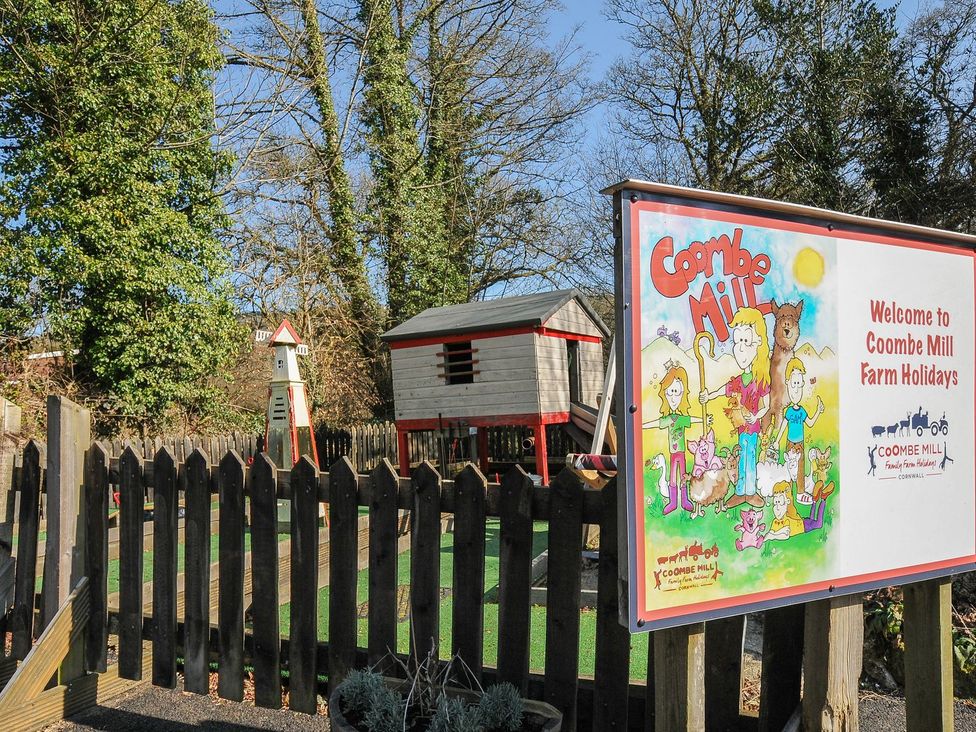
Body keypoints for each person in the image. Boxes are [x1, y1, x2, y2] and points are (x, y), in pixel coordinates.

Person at [699, 308, 770, 508]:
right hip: (741, 429)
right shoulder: (739, 380)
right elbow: (724, 390)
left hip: (752, 429)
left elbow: (765, 405)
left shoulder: (760, 380)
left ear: (757, 343)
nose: (740, 348)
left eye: (746, 341)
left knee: (750, 459)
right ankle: (740, 492)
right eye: (738, 341)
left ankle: (751, 492)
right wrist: (708, 395)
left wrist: (756, 417)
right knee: (741, 459)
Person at [643, 362, 704, 514]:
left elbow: (693, 419)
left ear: (683, 394)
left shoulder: (681, 419)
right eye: (670, 393)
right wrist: (641, 425)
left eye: (677, 392)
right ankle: (673, 502)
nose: (673, 397)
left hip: (681, 453)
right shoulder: (668, 419)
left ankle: (685, 500)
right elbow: (656, 423)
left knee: (683, 476)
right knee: (672, 477)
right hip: (673, 454)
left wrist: (704, 420)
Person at [773, 357, 824, 494]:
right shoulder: (789, 411)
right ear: (788, 384)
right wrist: (777, 441)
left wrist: (818, 412)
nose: (796, 389)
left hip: (800, 444)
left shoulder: (802, 411)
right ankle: (788, 492)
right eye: (793, 384)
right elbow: (784, 426)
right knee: (789, 468)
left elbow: (810, 423)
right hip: (790, 444)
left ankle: (801, 492)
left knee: (800, 467)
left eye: (799, 384)